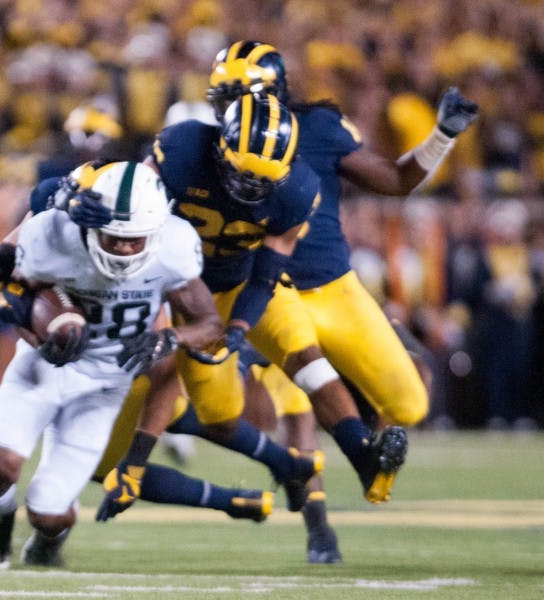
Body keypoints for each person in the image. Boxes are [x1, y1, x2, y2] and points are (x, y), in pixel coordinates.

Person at [204, 40, 480, 562]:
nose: (222, 110)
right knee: (299, 408)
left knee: (410, 404)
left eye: (233, 96)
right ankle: (318, 529)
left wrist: (442, 135)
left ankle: (369, 458)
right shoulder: (208, 142)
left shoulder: (320, 130)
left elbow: (396, 181)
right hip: (269, 289)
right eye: (220, 98)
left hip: (334, 287)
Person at [86, 95, 409, 536]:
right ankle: (285, 465)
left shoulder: (297, 189)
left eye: (262, 182)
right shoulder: (181, 151)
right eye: (240, 173)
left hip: (245, 280)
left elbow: (267, 273)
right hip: (183, 289)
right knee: (219, 414)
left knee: (305, 356)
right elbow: (134, 208)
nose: (247, 189)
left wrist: (240, 326)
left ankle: (364, 456)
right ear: (220, 146)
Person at [0, 161, 229, 569]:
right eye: (114, 237)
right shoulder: (54, 236)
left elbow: (210, 323)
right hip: (45, 368)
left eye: (135, 240)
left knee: (49, 513)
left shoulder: (174, 250)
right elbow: (14, 291)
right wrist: (39, 334)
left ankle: (48, 539)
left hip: (105, 387)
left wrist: (170, 338)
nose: (125, 248)